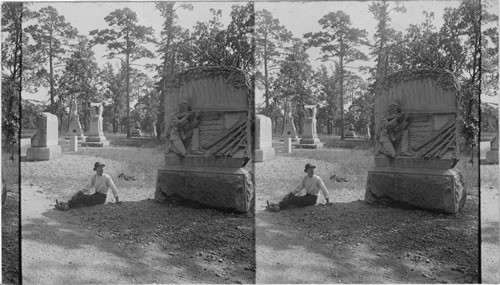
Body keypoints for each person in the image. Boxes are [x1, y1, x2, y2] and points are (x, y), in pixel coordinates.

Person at [55, 162, 120, 211]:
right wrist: (78, 193)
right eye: (99, 168)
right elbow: (87, 187)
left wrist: (117, 199)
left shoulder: (107, 177)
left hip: (102, 198)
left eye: (102, 168)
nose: (101, 169)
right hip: (96, 195)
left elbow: (113, 187)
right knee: (79, 196)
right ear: (96, 169)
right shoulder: (94, 177)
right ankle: (66, 203)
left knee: (83, 198)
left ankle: (67, 206)